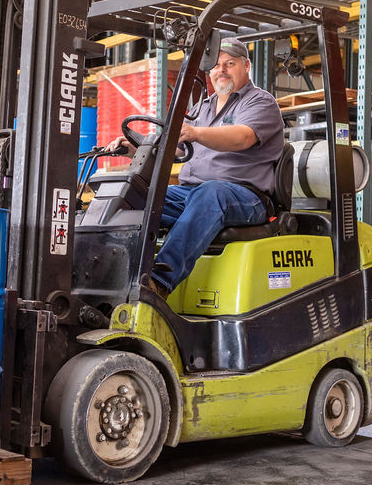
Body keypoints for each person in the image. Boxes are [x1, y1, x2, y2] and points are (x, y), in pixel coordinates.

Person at [106, 37, 285, 297]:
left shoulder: (260, 102)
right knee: (134, 194)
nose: (221, 70)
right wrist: (136, 146)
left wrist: (196, 133)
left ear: (246, 66)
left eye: (230, 63)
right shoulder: (202, 107)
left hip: (245, 197)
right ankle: (115, 274)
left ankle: (157, 284)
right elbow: (177, 145)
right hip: (192, 193)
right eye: (216, 65)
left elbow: (243, 137)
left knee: (210, 193)